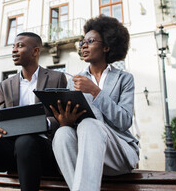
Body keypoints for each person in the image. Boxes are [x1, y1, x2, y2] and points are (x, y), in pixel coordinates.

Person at [0, 32, 67, 191]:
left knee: (25, 141)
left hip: (42, 150)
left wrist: (42, 123)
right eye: (13, 46)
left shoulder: (56, 78)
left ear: (35, 51)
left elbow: (64, 119)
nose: (14, 50)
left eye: (20, 46)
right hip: (11, 149)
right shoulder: (5, 84)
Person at [50, 15, 139, 191]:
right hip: (85, 155)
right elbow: (71, 125)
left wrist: (95, 91)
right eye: (83, 42)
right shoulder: (74, 81)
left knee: (90, 124)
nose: (84, 45)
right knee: (62, 134)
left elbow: (124, 121)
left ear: (106, 46)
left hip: (118, 152)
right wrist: (65, 120)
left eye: (90, 41)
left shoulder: (124, 79)